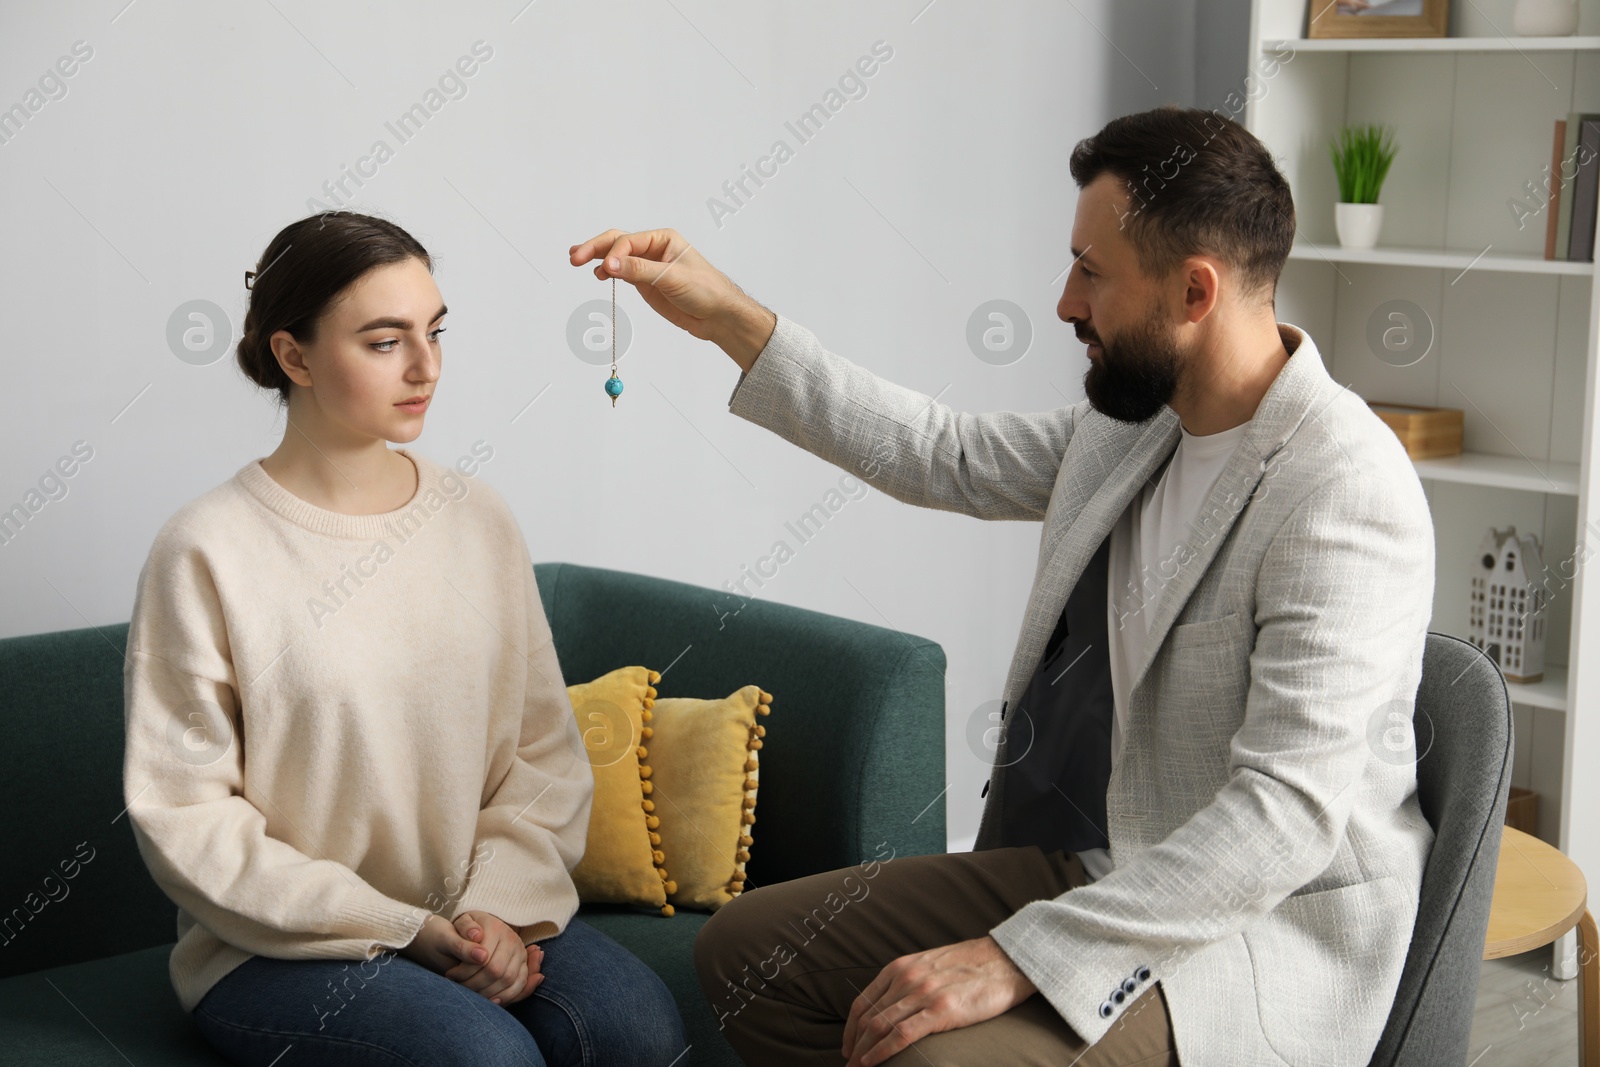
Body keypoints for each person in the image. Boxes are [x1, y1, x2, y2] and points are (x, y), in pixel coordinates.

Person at [568, 104, 1436, 1067]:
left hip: (1251, 936)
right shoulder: (1138, 424)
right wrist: (728, 316)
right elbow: (941, 454)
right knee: (753, 953)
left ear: (1195, 292)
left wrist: (1015, 955)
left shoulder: (1340, 488)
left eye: (1092, 273)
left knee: (935, 1058)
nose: (1066, 301)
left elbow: (1285, 815)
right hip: (1106, 863)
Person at [122, 211, 687, 1067]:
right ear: (294, 356)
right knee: (483, 1057)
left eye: (435, 331)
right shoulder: (206, 548)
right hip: (280, 945)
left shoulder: (477, 519)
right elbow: (186, 817)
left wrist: (495, 907)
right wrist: (398, 926)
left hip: (477, 911)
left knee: (634, 1030)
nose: (426, 367)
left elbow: (542, 754)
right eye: (386, 341)